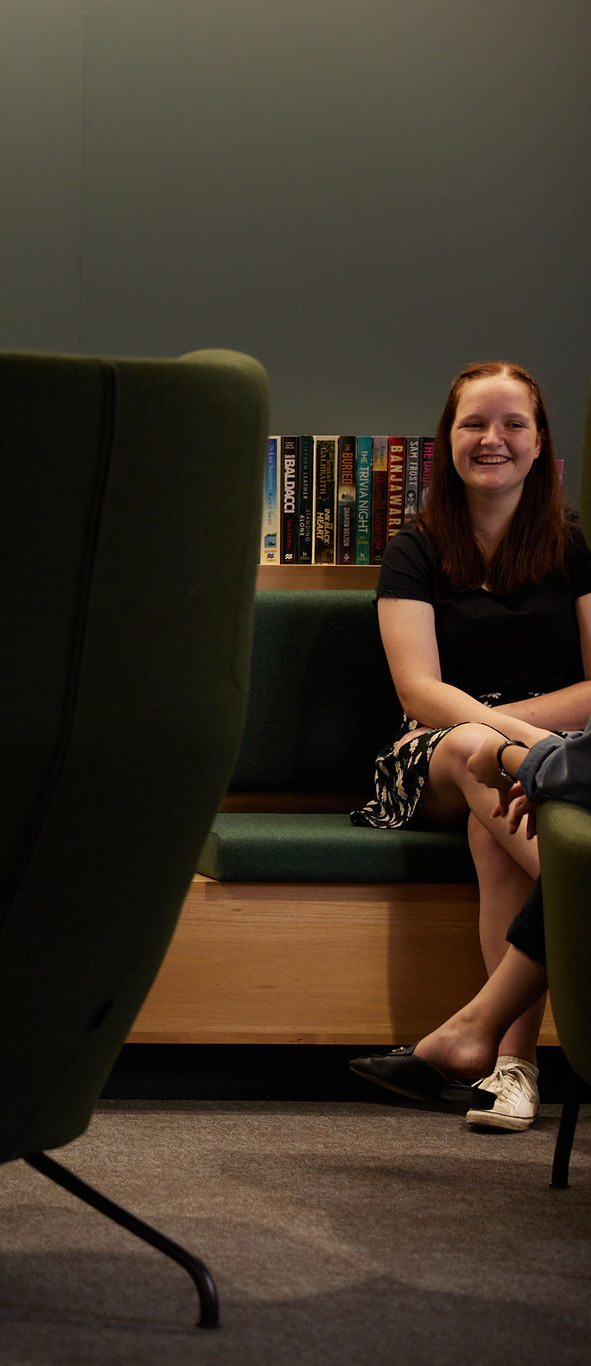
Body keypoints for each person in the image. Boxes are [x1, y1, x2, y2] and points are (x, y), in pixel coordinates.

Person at [350, 361, 591, 1131]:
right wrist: (523, 740)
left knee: (498, 834)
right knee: (471, 751)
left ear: (540, 441)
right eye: (474, 424)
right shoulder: (414, 549)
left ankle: (508, 1069)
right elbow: (420, 694)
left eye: (513, 423)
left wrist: (525, 747)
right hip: (434, 758)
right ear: (447, 441)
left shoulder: (572, 546)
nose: (493, 439)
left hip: (539, 762)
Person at [351, 726, 577, 1131]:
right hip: (459, 747)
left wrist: (509, 754)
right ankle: (502, 1057)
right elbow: (419, 691)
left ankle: (496, 1050)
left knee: (495, 823)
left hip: (551, 747)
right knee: (499, 806)